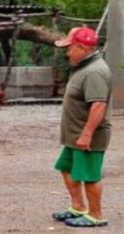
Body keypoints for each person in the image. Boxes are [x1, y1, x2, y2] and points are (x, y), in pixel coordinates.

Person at [51, 27, 111, 228]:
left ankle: (96, 215)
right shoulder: (83, 67)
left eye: (70, 48)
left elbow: (99, 104)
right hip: (74, 135)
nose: (67, 52)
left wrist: (87, 135)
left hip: (88, 136)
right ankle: (77, 206)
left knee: (89, 175)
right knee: (66, 167)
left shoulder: (95, 71)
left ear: (82, 47)